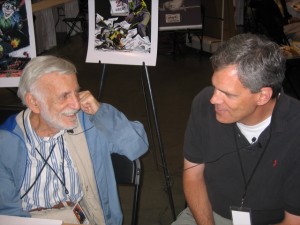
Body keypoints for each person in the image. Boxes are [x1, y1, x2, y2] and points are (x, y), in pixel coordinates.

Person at [0, 55, 149, 225]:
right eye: (64, 96)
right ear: (34, 102)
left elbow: (138, 145)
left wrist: (102, 113)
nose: (76, 105)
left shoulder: (88, 124)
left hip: (85, 217)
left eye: (76, 92)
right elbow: (6, 216)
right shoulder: (6, 144)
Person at [172, 33, 300, 225]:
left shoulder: (295, 131)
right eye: (215, 86)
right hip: (208, 213)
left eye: (228, 94)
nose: (214, 99)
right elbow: (193, 175)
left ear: (263, 96)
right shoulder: (203, 104)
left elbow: (293, 220)